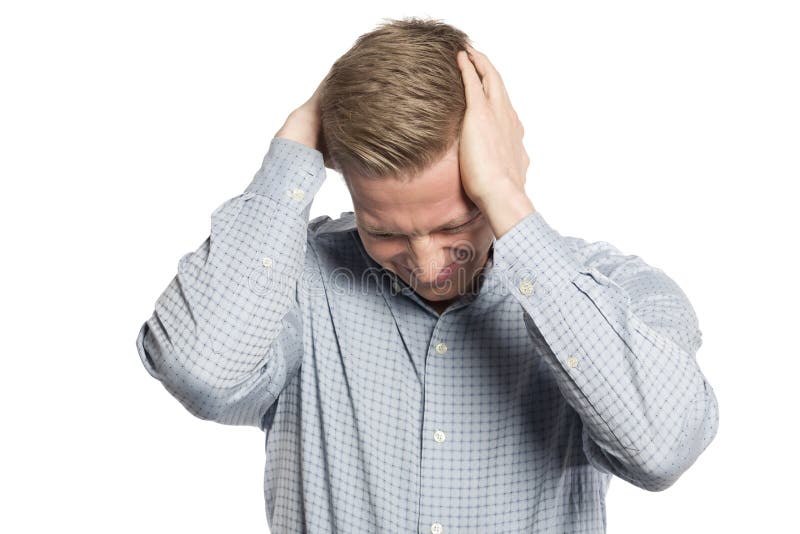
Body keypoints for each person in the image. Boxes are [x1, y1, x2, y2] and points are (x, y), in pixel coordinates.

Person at [135, 17, 719, 533]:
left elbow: (663, 449)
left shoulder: (608, 293)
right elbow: (198, 371)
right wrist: (300, 138)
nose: (429, 263)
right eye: (386, 232)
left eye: (457, 224)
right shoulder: (289, 281)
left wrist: (507, 199)